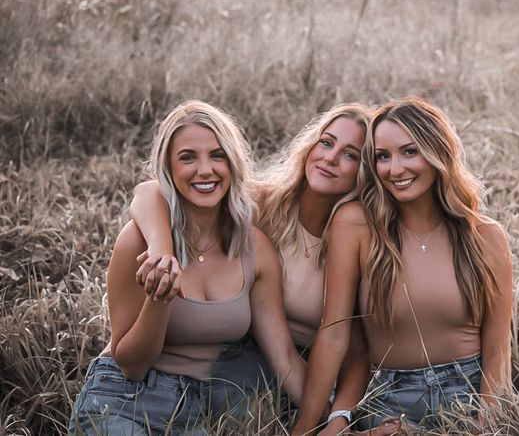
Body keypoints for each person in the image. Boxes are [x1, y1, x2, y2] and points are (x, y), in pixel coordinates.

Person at [129, 102, 373, 434]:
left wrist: (338, 419)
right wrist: (161, 250)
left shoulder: (361, 236)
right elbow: (150, 191)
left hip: (310, 373)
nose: (330, 158)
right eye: (327, 142)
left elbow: (357, 352)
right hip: (239, 361)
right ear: (311, 146)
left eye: (351, 154)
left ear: (367, 171)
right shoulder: (262, 206)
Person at [69, 100, 305, 435]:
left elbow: (284, 357)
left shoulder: (255, 246)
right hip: (126, 400)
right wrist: (159, 298)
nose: (205, 170)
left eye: (217, 155)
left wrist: (337, 416)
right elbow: (132, 365)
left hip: (207, 405)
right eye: (188, 157)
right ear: (168, 167)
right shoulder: (138, 243)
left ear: (233, 163)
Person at [293, 96, 514, 434]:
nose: (395, 170)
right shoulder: (357, 225)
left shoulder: (486, 236)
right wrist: (308, 429)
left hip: (466, 395)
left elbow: (497, 354)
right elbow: (334, 332)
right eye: (383, 156)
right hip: (389, 399)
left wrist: (485, 427)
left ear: (438, 152)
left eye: (409, 152)